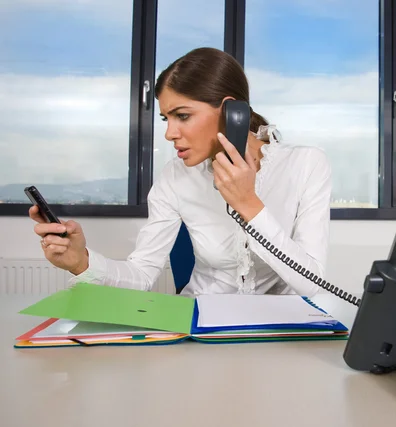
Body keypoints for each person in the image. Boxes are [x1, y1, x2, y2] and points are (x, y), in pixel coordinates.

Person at [29, 47, 332, 298]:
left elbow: (312, 284)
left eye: (183, 116)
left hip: (277, 334)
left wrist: (248, 203)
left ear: (232, 113)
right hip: (198, 327)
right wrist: (82, 262)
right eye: (166, 119)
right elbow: (142, 273)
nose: (170, 133)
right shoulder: (175, 178)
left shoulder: (306, 165)